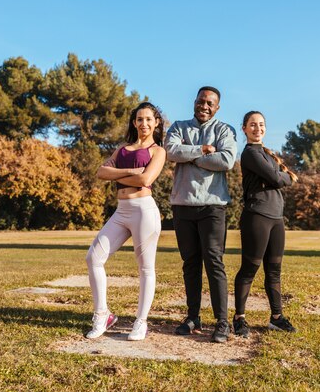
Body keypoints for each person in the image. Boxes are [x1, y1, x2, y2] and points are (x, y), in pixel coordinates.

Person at [85, 102, 166, 341]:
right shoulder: (122, 149)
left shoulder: (157, 151)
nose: (144, 123)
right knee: (94, 258)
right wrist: (131, 172)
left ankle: (141, 322)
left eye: (149, 119)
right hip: (121, 211)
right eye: (139, 119)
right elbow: (101, 173)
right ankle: (103, 315)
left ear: (156, 123)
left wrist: (121, 174)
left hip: (144, 211)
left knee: (145, 268)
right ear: (134, 122)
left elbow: (147, 178)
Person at [164, 86, 237, 343]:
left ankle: (222, 322)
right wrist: (203, 150)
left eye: (209, 103)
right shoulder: (178, 127)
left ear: (217, 107)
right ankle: (193, 317)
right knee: (190, 264)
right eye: (200, 101)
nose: (204, 106)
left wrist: (190, 155)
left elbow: (226, 160)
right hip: (182, 205)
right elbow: (171, 152)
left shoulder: (225, 130)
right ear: (194, 102)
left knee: (214, 263)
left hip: (213, 206)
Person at [232, 111, 298, 338]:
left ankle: (276, 318)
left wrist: (282, 176)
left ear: (265, 128)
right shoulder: (250, 153)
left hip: (277, 218)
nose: (257, 128)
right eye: (252, 125)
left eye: (261, 125)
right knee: (250, 268)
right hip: (257, 216)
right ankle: (239, 318)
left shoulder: (268, 154)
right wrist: (284, 176)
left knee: (275, 270)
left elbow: (279, 176)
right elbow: (280, 178)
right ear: (244, 129)